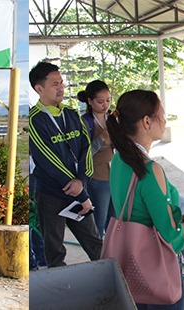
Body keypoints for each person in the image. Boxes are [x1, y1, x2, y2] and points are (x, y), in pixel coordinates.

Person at [106, 90, 184, 309]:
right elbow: (167, 232)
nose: (165, 120)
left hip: (130, 259)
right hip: (155, 264)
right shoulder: (149, 169)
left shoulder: (119, 160)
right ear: (147, 121)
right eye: (161, 115)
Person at [27, 61, 102, 267]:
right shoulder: (34, 120)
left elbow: (86, 147)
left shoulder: (71, 114)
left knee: (95, 243)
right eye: (54, 84)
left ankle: (111, 283)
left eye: (61, 82)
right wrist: (79, 190)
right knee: (55, 250)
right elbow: (47, 159)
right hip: (51, 195)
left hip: (78, 191)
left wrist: (82, 180)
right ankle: (61, 292)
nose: (61, 87)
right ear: (39, 88)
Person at [79, 80, 114, 238]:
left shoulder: (112, 118)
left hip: (115, 174)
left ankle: (114, 251)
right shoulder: (85, 122)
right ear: (90, 101)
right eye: (100, 101)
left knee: (115, 221)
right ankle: (99, 256)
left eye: (108, 100)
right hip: (97, 177)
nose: (105, 105)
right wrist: (102, 138)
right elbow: (84, 153)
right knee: (99, 221)